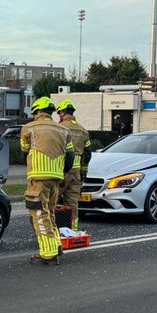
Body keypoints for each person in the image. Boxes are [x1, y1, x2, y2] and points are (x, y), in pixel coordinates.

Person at [20, 96, 73, 266]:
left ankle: (48, 253)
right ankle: (56, 245)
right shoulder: (64, 130)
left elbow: (24, 150)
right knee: (50, 213)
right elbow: (70, 157)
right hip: (56, 177)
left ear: (36, 111)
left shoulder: (29, 128)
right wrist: (60, 172)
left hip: (38, 177)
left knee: (39, 214)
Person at [55, 99, 91, 231]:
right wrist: (83, 171)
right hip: (76, 174)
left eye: (59, 113)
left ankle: (53, 230)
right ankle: (73, 230)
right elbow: (87, 154)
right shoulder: (82, 130)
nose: (59, 116)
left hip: (62, 171)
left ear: (63, 113)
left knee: (53, 201)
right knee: (72, 204)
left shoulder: (60, 128)